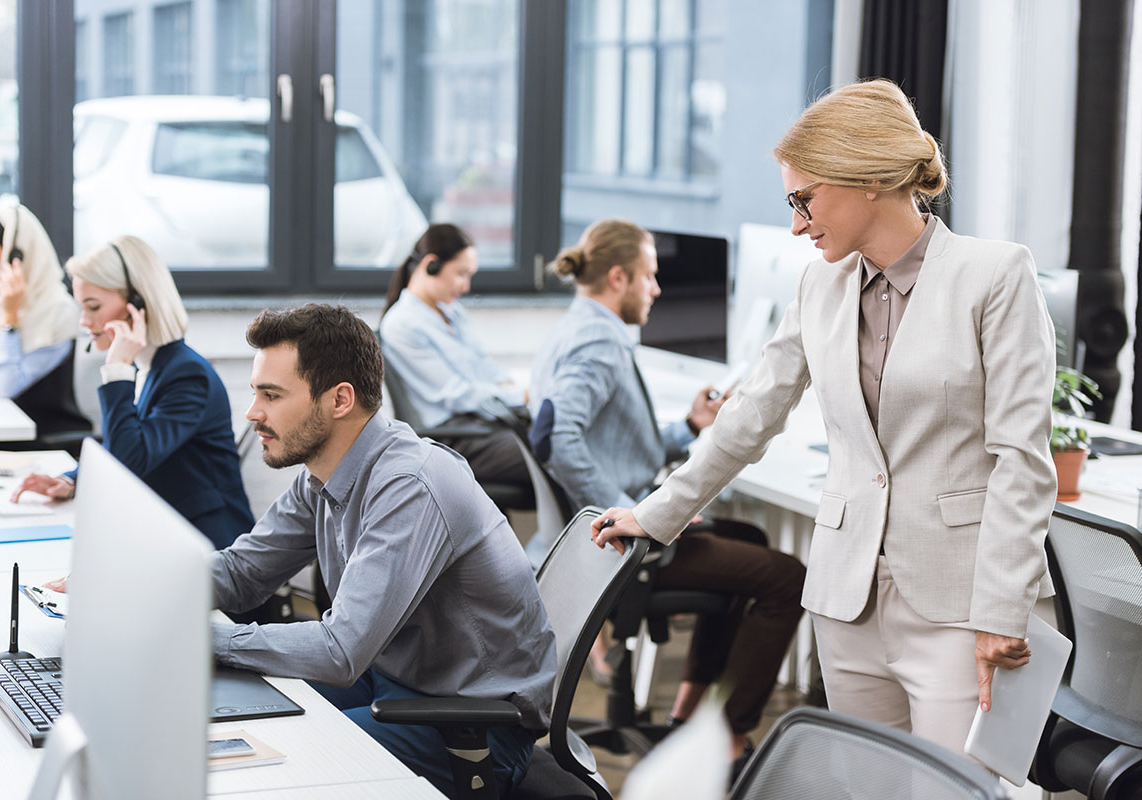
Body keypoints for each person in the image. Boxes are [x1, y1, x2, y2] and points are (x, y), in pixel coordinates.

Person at [591, 79, 1057, 757]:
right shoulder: (820, 285)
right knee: (867, 785)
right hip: (848, 600)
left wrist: (1002, 609)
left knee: (964, 787)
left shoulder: (995, 276)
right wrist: (656, 514)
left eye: (803, 199)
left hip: (959, 605)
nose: (796, 224)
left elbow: (1021, 458)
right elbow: (750, 415)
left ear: (867, 178)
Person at [210, 303, 555, 797]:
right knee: (230, 712)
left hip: (469, 728)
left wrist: (211, 640)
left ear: (340, 399)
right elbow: (242, 573)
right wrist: (148, 592)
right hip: (393, 682)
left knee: (272, 767)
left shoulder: (409, 485)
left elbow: (339, 650)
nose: (253, 413)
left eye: (272, 395)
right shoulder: (323, 476)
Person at [530, 218, 805, 776]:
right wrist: (631, 513)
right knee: (787, 578)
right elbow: (555, 437)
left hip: (596, 534)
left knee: (750, 539)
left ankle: (687, 717)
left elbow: (612, 439)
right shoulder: (599, 341)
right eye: (650, 277)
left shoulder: (577, 327)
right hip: (617, 545)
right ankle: (728, 736)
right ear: (618, 278)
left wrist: (690, 424)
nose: (656, 289)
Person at [10, 235, 253, 551]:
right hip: (162, 534)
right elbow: (122, 444)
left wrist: (117, 370)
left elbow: (129, 462)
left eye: (93, 306)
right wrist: (70, 480)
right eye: (81, 307)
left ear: (139, 304)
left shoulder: (186, 375)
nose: (84, 321)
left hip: (210, 552)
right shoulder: (148, 365)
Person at [380, 223, 533, 499]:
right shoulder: (403, 324)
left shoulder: (452, 313)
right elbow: (456, 394)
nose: (466, 286)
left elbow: (483, 366)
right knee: (551, 448)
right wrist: (517, 395)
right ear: (431, 265)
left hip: (482, 424)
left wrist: (514, 388)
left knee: (554, 436)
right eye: (461, 274)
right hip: (455, 438)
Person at [0, 199, 90, 439]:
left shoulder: (59, 312)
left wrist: (9, 317)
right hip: (10, 431)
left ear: (15, 256)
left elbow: (6, 386)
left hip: (45, 439)